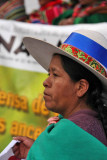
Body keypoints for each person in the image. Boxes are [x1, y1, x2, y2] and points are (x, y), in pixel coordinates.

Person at [13, 29, 107, 160]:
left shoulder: (69, 132)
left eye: (55, 75)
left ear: (81, 87)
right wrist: (37, 153)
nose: (46, 82)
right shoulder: (92, 124)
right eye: (48, 74)